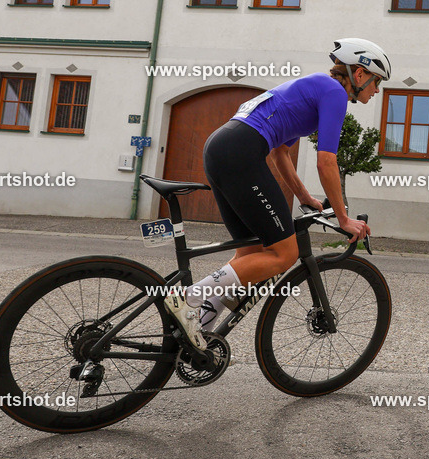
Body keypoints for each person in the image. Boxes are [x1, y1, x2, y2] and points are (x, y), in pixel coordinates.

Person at [164, 38, 391, 353]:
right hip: (241, 152)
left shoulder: (315, 87)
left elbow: (280, 154)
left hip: (222, 147)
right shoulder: (335, 93)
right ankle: (187, 299)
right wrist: (343, 219)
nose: (376, 90)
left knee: (251, 255)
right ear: (360, 74)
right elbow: (327, 161)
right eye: (377, 81)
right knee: (285, 254)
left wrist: (306, 197)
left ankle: (197, 329)